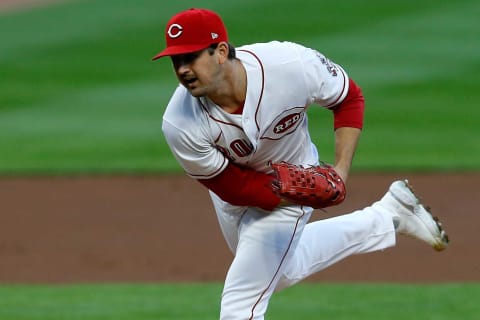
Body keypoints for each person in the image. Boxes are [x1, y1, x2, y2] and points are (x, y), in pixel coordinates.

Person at [152, 8, 449, 320]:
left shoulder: (288, 66)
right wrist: (292, 189)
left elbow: (348, 98)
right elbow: (233, 186)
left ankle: (385, 217)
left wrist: (339, 172)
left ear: (221, 51)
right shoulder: (179, 123)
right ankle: (387, 216)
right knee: (279, 271)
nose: (182, 69)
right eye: (176, 60)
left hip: (297, 173)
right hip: (240, 195)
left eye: (191, 57)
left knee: (241, 303)